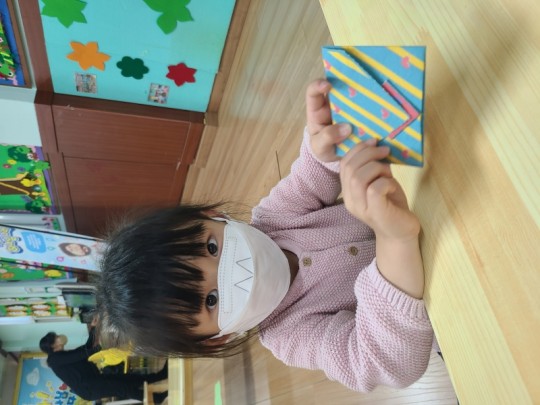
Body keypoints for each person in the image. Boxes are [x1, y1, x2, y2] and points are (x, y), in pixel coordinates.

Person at [95, 79, 434, 392]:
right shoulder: (288, 335)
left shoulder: (273, 217)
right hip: (442, 300)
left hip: (435, 213)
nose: (236, 271)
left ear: (213, 217)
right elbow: (382, 362)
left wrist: (325, 144)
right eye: (211, 300)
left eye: (211, 247)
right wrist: (394, 242)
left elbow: (312, 174)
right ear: (217, 338)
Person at [39, 327, 168, 403]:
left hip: (94, 379)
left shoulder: (61, 355)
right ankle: (158, 398)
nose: (59, 337)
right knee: (123, 388)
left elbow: (85, 348)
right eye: (56, 337)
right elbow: (82, 354)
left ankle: (160, 375)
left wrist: (93, 329)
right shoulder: (54, 360)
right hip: (89, 388)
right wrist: (102, 345)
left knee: (128, 379)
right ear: (53, 345)